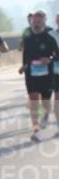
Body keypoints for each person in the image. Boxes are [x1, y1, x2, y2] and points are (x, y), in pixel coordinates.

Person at [19, 9, 59, 141]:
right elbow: (26, 55)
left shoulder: (50, 38)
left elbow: (57, 54)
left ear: (44, 22)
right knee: (34, 98)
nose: (35, 24)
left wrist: (50, 59)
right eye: (34, 21)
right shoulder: (27, 37)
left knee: (46, 103)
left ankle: (46, 114)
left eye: (38, 21)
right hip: (31, 74)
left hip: (47, 75)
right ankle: (36, 129)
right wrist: (24, 66)